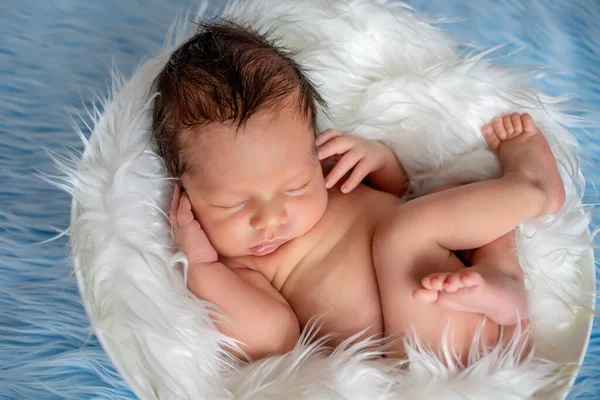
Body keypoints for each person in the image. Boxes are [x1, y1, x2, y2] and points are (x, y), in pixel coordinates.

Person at [151, 20, 565, 362]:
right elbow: (272, 338)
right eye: (234, 203)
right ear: (184, 189)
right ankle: (534, 190)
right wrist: (203, 268)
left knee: (453, 193)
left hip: (465, 294)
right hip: (424, 343)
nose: (271, 218)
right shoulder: (243, 266)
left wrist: (378, 159)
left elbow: (401, 192)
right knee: (404, 234)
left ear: (311, 151)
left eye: (295, 186)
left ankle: (501, 275)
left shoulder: (328, 175)